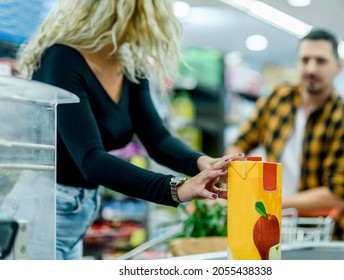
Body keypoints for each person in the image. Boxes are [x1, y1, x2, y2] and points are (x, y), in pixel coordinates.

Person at [14, 0, 243, 259]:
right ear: (119, 16)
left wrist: (204, 163)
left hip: (80, 210)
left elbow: (157, 138)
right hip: (41, 208)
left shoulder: (129, 65)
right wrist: (177, 188)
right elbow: (90, 160)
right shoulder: (62, 58)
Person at [226, 28, 344, 240]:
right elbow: (240, 143)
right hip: (275, 227)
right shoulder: (278, 98)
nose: (311, 68)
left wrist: (269, 200)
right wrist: (236, 176)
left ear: (338, 67)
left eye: (321, 61)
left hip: (322, 235)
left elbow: (335, 194)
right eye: (305, 60)